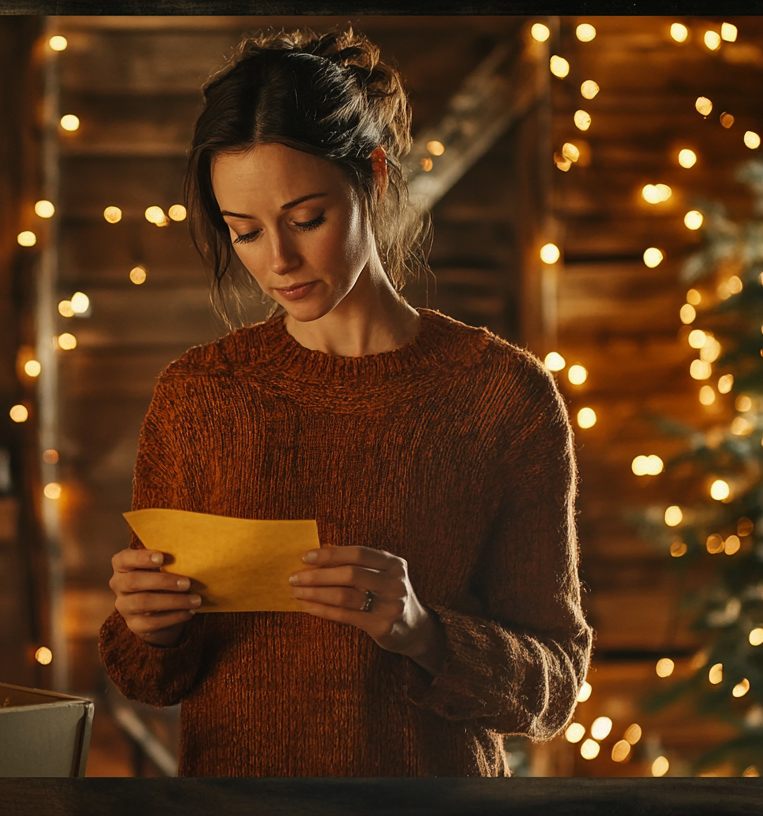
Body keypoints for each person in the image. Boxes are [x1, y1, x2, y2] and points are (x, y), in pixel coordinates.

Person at [98, 27, 593, 777]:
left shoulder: (501, 396)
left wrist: (424, 633)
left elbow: (555, 686)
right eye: (245, 232)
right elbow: (148, 678)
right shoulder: (198, 396)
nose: (278, 262)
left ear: (374, 176)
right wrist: (148, 628)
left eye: (306, 220)